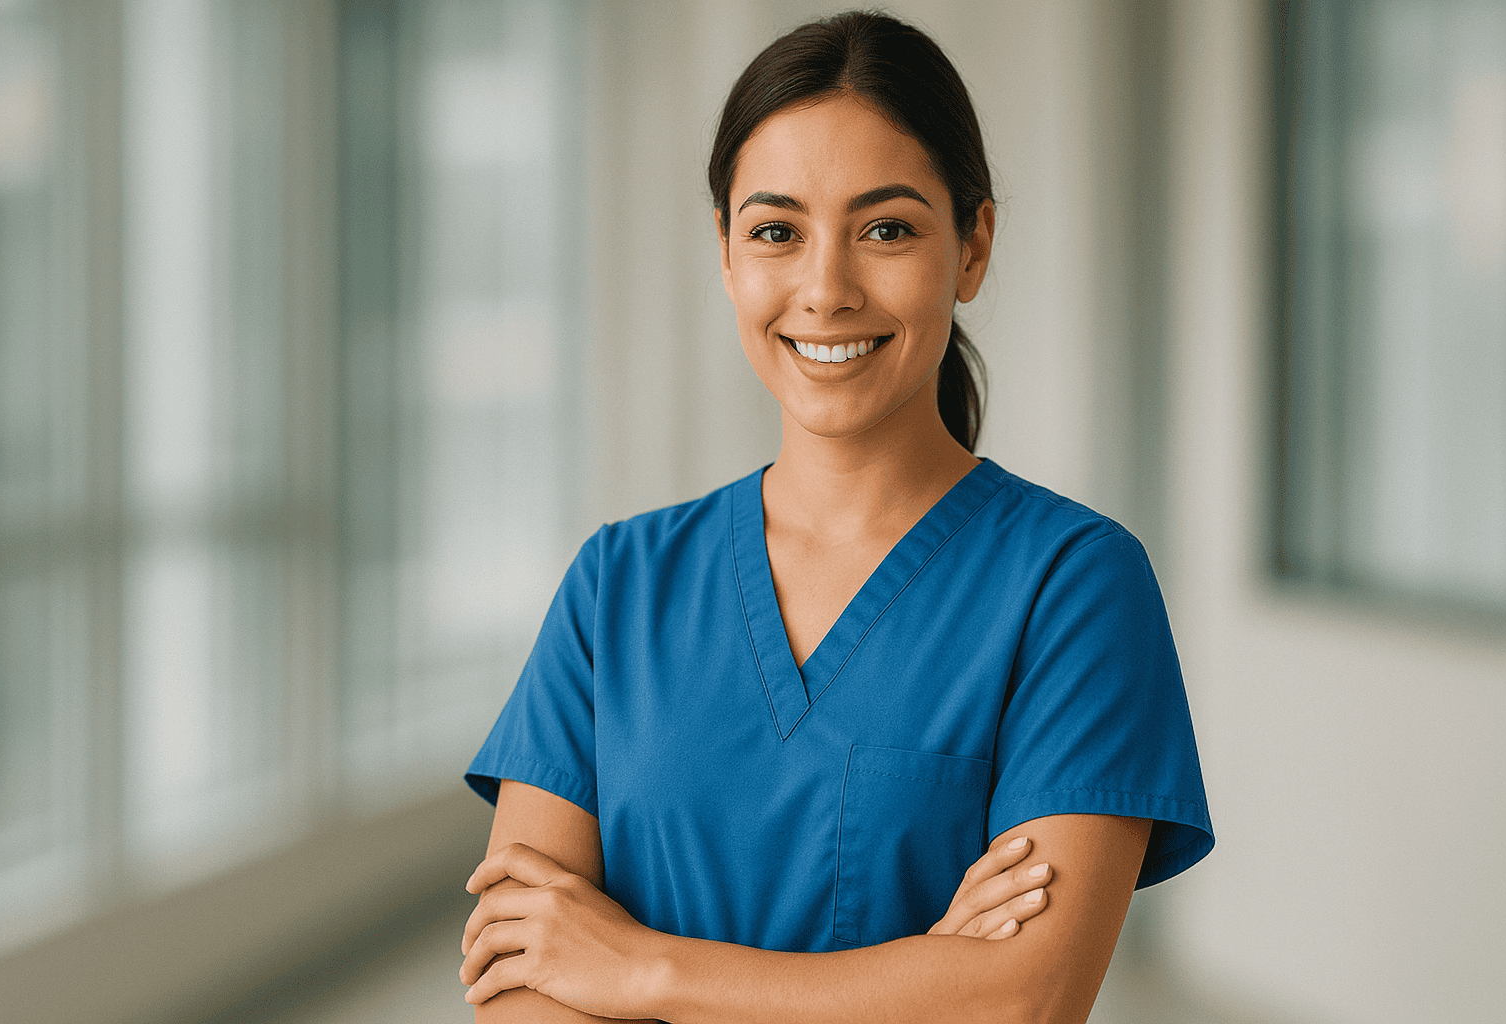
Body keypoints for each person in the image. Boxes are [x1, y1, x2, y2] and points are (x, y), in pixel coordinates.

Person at [458, 11, 1213, 1023]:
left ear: (973, 246)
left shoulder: (1073, 586)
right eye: (776, 230)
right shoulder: (616, 586)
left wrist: (645, 969)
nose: (825, 289)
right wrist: (918, 977)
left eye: (887, 229)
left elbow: (1022, 1001)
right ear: (727, 253)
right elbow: (518, 984)